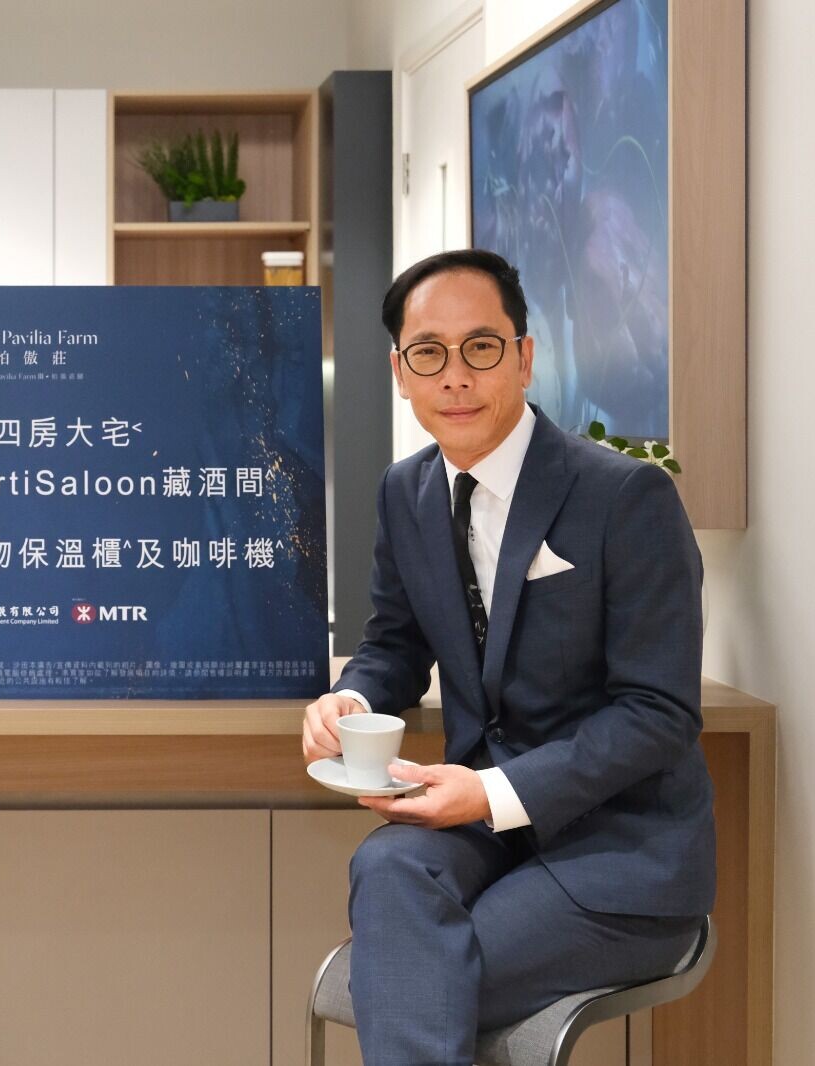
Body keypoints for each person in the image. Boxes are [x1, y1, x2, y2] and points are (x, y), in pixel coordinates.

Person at [303, 249, 714, 1065]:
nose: (454, 375)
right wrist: (351, 696)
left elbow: (657, 713)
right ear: (400, 373)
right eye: (428, 353)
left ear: (523, 356)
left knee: (405, 983)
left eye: (480, 347)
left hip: (616, 852)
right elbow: (394, 641)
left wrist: (490, 791)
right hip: (486, 838)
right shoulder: (406, 492)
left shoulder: (624, 497)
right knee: (385, 866)